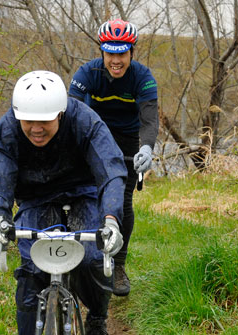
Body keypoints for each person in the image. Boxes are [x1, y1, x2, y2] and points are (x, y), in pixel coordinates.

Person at [0, 71, 128, 335]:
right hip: (35, 198)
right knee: (32, 270)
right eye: (28, 120)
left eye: (44, 120)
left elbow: (111, 169)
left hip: (83, 192)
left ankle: (97, 320)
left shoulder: (85, 121)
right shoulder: (6, 131)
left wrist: (111, 220)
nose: (35, 128)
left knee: (90, 256)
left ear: (60, 113)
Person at [68, 19, 159, 297]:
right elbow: (72, 112)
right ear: (102, 52)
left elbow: (149, 119)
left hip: (128, 142)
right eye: (110, 53)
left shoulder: (142, 78)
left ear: (131, 52)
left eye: (122, 53)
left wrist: (147, 148)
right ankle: (72, 257)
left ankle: (118, 265)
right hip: (93, 135)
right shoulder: (87, 74)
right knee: (80, 195)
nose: (116, 60)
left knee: (122, 202)